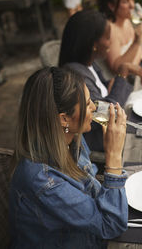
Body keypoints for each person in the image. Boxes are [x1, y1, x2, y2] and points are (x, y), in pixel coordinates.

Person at [9, 67, 129, 248]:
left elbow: (93, 192)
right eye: (88, 104)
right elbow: (111, 225)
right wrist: (113, 156)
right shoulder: (44, 181)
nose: (95, 108)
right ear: (64, 119)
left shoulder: (70, 140)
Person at [59, 9, 142, 151]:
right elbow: (105, 113)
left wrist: (111, 95)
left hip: (118, 123)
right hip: (103, 141)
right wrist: (121, 75)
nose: (110, 43)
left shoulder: (88, 63)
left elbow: (106, 89)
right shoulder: (77, 76)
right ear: (94, 44)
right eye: (108, 38)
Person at [98, 0, 142, 77]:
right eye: (125, 1)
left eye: (132, 0)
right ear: (111, 6)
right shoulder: (110, 30)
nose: (132, 6)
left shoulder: (126, 20)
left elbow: (136, 51)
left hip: (133, 74)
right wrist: (137, 43)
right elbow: (117, 69)